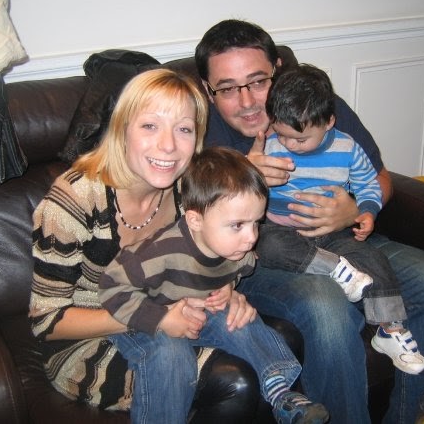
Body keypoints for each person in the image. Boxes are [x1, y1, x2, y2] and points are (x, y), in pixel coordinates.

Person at [195, 19, 424, 424]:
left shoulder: (316, 104)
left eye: (258, 81)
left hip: (344, 236)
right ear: (207, 89)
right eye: (227, 88)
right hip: (260, 254)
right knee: (327, 307)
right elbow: (181, 220)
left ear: (279, 69)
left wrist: (355, 208)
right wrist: (237, 176)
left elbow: (379, 176)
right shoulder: (193, 129)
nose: (249, 101)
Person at [28, 69, 258, 419]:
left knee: (264, 343)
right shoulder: (73, 201)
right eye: (150, 126)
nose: (168, 145)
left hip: (176, 315)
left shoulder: (188, 191)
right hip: (88, 338)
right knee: (219, 374)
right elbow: (47, 322)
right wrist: (156, 316)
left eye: (183, 129)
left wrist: (226, 287)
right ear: (122, 131)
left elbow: (217, 253)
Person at [98, 146, 329, 424]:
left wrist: (230, 289)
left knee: (240, 320)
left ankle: (280, 393)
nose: (251, 238)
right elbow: (110, 286)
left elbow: (240, 269)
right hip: (144, 318)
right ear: (195, 220)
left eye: (256, 223)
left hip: (197, 312)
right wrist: (160, 318)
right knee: (171, 355)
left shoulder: (238, 251)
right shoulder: (159, 253)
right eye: (238, 225)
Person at [256, 63, 424, 376]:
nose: (290, 145)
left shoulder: (347, 148)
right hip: (284, 232)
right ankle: (338, 271)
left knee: (373, 259)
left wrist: (367, 211)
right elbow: (248, 196)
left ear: (328, 122)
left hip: (335, 235)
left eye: (301, 138)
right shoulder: (269, 147)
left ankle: (391, 329)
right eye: (282, 135)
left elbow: (368, 185)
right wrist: (255, 175)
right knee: (266, 243)